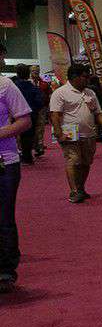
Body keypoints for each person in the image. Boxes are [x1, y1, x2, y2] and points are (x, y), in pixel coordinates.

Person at [49, 63, 102, 203]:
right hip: (69, 132)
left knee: (86, 162)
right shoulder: (60, 92)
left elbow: (98, 112)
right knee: (73, 160)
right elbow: (55, 115)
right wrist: (59, 134)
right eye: (85, 76)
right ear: (74, 77)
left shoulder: (90, 93)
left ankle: (81, 187)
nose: (87, 79)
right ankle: (74, 191)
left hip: (89, 133)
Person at [0, 73, 31, 292]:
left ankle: (5, 269)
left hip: (4, 162)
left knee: (3, 218)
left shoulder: (5, 85)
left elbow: (25, 120)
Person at [12, 65, 44, 165]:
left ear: (17, 74)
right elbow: (40, 102)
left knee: (14, 135)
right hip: (30, 115)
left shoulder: (13, 86)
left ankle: (15, 155)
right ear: (28, 74)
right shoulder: (33, 87)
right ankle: (27, 156)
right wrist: (34, 111)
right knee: (28, 136)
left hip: (14, 114)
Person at [31, 66, 51, 157]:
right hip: (30, 109)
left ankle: (39, 145)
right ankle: (34, 145)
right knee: (32, 128)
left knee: (41, 127)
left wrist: (48, 107)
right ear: (30, 72)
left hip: (42, 109)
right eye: (33, 71)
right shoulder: (28, 83)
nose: (35, 72)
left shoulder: (44, 84)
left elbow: (49, 95)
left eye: (37, 71)